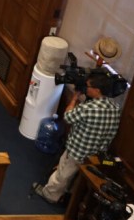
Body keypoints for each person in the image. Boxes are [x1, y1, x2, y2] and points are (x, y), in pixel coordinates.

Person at [31, 70, 122, 205]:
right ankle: (68, 195)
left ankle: (50, 195)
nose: (86, 88)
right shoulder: (115, 107)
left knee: (62, 175)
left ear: (97, 90)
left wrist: (74, 98)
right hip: (96, 154)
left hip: (77, 150)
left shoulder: (88, 108)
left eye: (88, 86)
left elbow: (68, 117)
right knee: (78, 178)